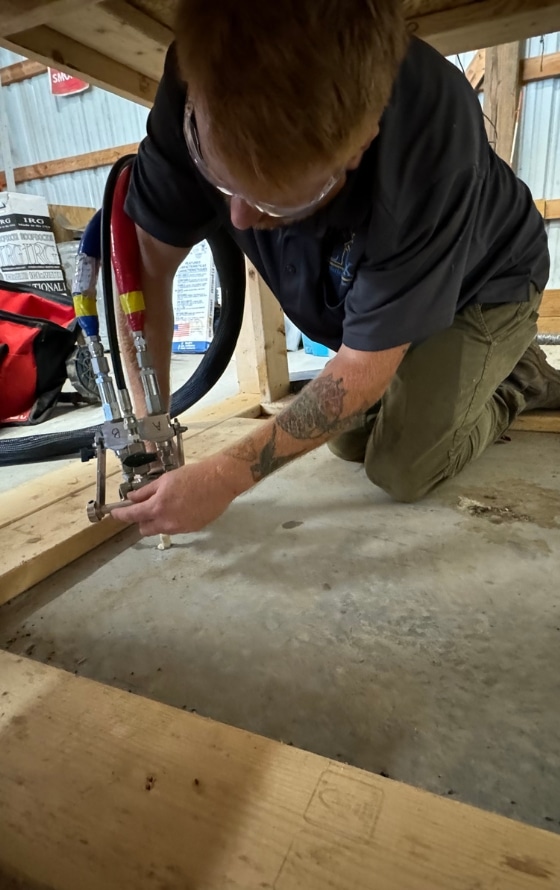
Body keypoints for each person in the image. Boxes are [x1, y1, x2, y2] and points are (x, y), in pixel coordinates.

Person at [113, 0, 559, 537]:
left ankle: (520, 374)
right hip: (390, 300)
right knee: (347, 439)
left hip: (486, 284)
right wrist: (151, 426)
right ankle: (426, 360)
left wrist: (224, 476)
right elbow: (147, 273)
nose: (236, 216)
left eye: (274, 203)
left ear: (360, 143)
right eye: (222, 180)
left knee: (401, 467)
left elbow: (360, 372)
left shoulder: (428, 134)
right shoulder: (198, 75)